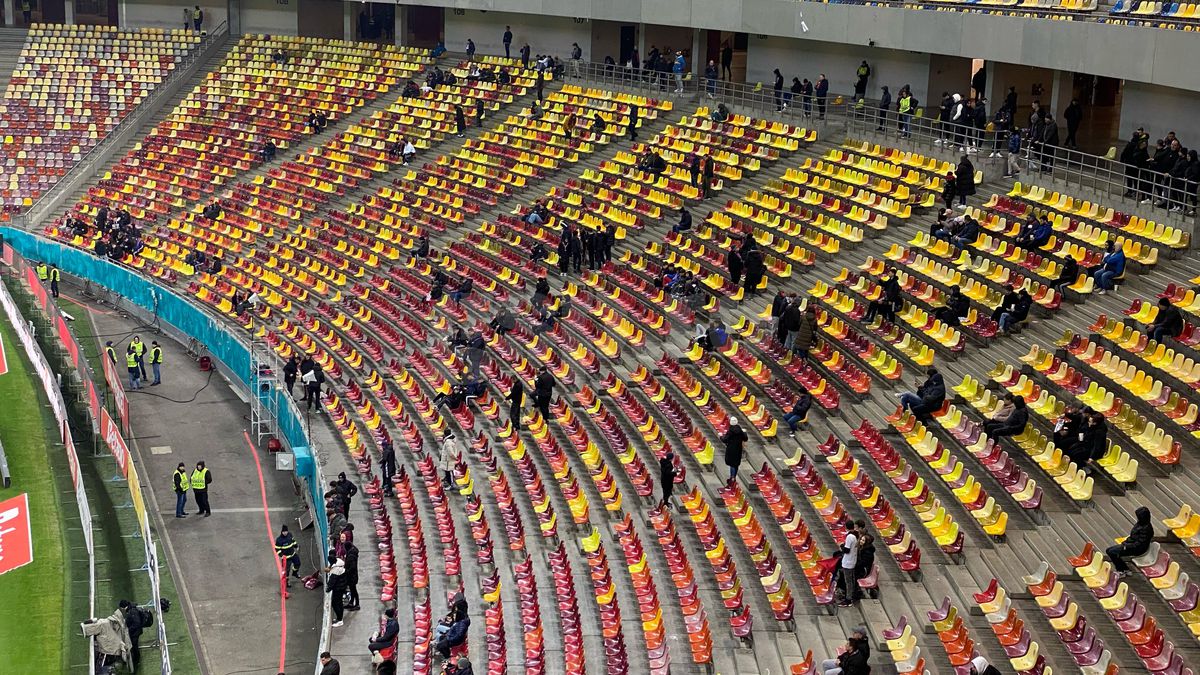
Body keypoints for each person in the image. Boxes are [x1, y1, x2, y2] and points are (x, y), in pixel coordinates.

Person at [1107, 506, 1153, 578]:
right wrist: (1126, 542)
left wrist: (1126, 546)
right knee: (1109, 550)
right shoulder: (1140, 524)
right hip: (1130, 545)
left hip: (1138, 549)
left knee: (1112, 552)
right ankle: (1125, 569)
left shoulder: (1146, 529)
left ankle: (1122, 570)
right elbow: (1133, 537)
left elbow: (1139, 544)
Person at [118, 600, 146, 670]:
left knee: (134, 645)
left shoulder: (132, 612)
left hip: (136, 632)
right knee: (133, 645)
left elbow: (137, 623)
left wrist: (129, 629)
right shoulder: (131, 609)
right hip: (135, 631)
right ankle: (135, 657)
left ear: (124, 607)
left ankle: (136, 660)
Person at [837, 522, 859, 606]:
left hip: (848, 562)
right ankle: (850, 596)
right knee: (850, 580)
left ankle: (848, 599)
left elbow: (847, 550)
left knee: (848, 581)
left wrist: (841, 546)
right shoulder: (855, 535)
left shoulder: (850, 536)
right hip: (851, 561)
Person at [721, 418, 747, 485]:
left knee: (732, 464)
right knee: (736, 464)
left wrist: (721, 436)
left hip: (731, 449)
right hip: (738, 449)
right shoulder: (740, 431)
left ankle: (732, 478)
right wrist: (744, 433)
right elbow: (745, 438)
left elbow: (725, 440)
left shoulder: (730, 431)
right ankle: (733, 477)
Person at [326, 551, 347, 627]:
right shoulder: (339, 562)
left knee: (335, 603)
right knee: (339, 603)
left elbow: (332, 582)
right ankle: (339, 618)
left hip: (338, 588)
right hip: (342, 586)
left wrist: (327, 589)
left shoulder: (336, 570)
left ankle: (340, 619)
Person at [341, 530, 360, 610]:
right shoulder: (351, 553)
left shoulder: (351, 556)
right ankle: (352, 602)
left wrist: (346, 571)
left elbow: (352, 567)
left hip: (352, 576)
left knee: (354, 590)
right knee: (352, 590)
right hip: (352, 576)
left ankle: (357, 604)